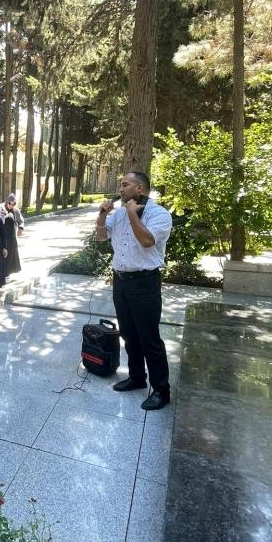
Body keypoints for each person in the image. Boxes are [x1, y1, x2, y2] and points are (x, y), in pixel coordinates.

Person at [95, 171, 173, 411]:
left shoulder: (159, 214)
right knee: (128, 333)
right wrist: (102, 215)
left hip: (144, 283)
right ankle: (137, 377)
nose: (120, 189)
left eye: (125, 184)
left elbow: (147, 241)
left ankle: (161, 390)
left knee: (149, 338)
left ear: (140, 188)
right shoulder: (118, 214)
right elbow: (101, 237)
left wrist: (131, 214)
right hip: (121, 281)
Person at [3, 193, 24, 276]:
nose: (11, 205)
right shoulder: (1, 208)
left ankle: (9, 270)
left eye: (13, 204)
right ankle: (3, 271)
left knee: (12, 253)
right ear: (7, 201)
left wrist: (20, 228)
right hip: (2, 235)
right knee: (3, 253)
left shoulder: (16, 211)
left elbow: (21, 221)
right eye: (10, 203)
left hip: (12, 236)